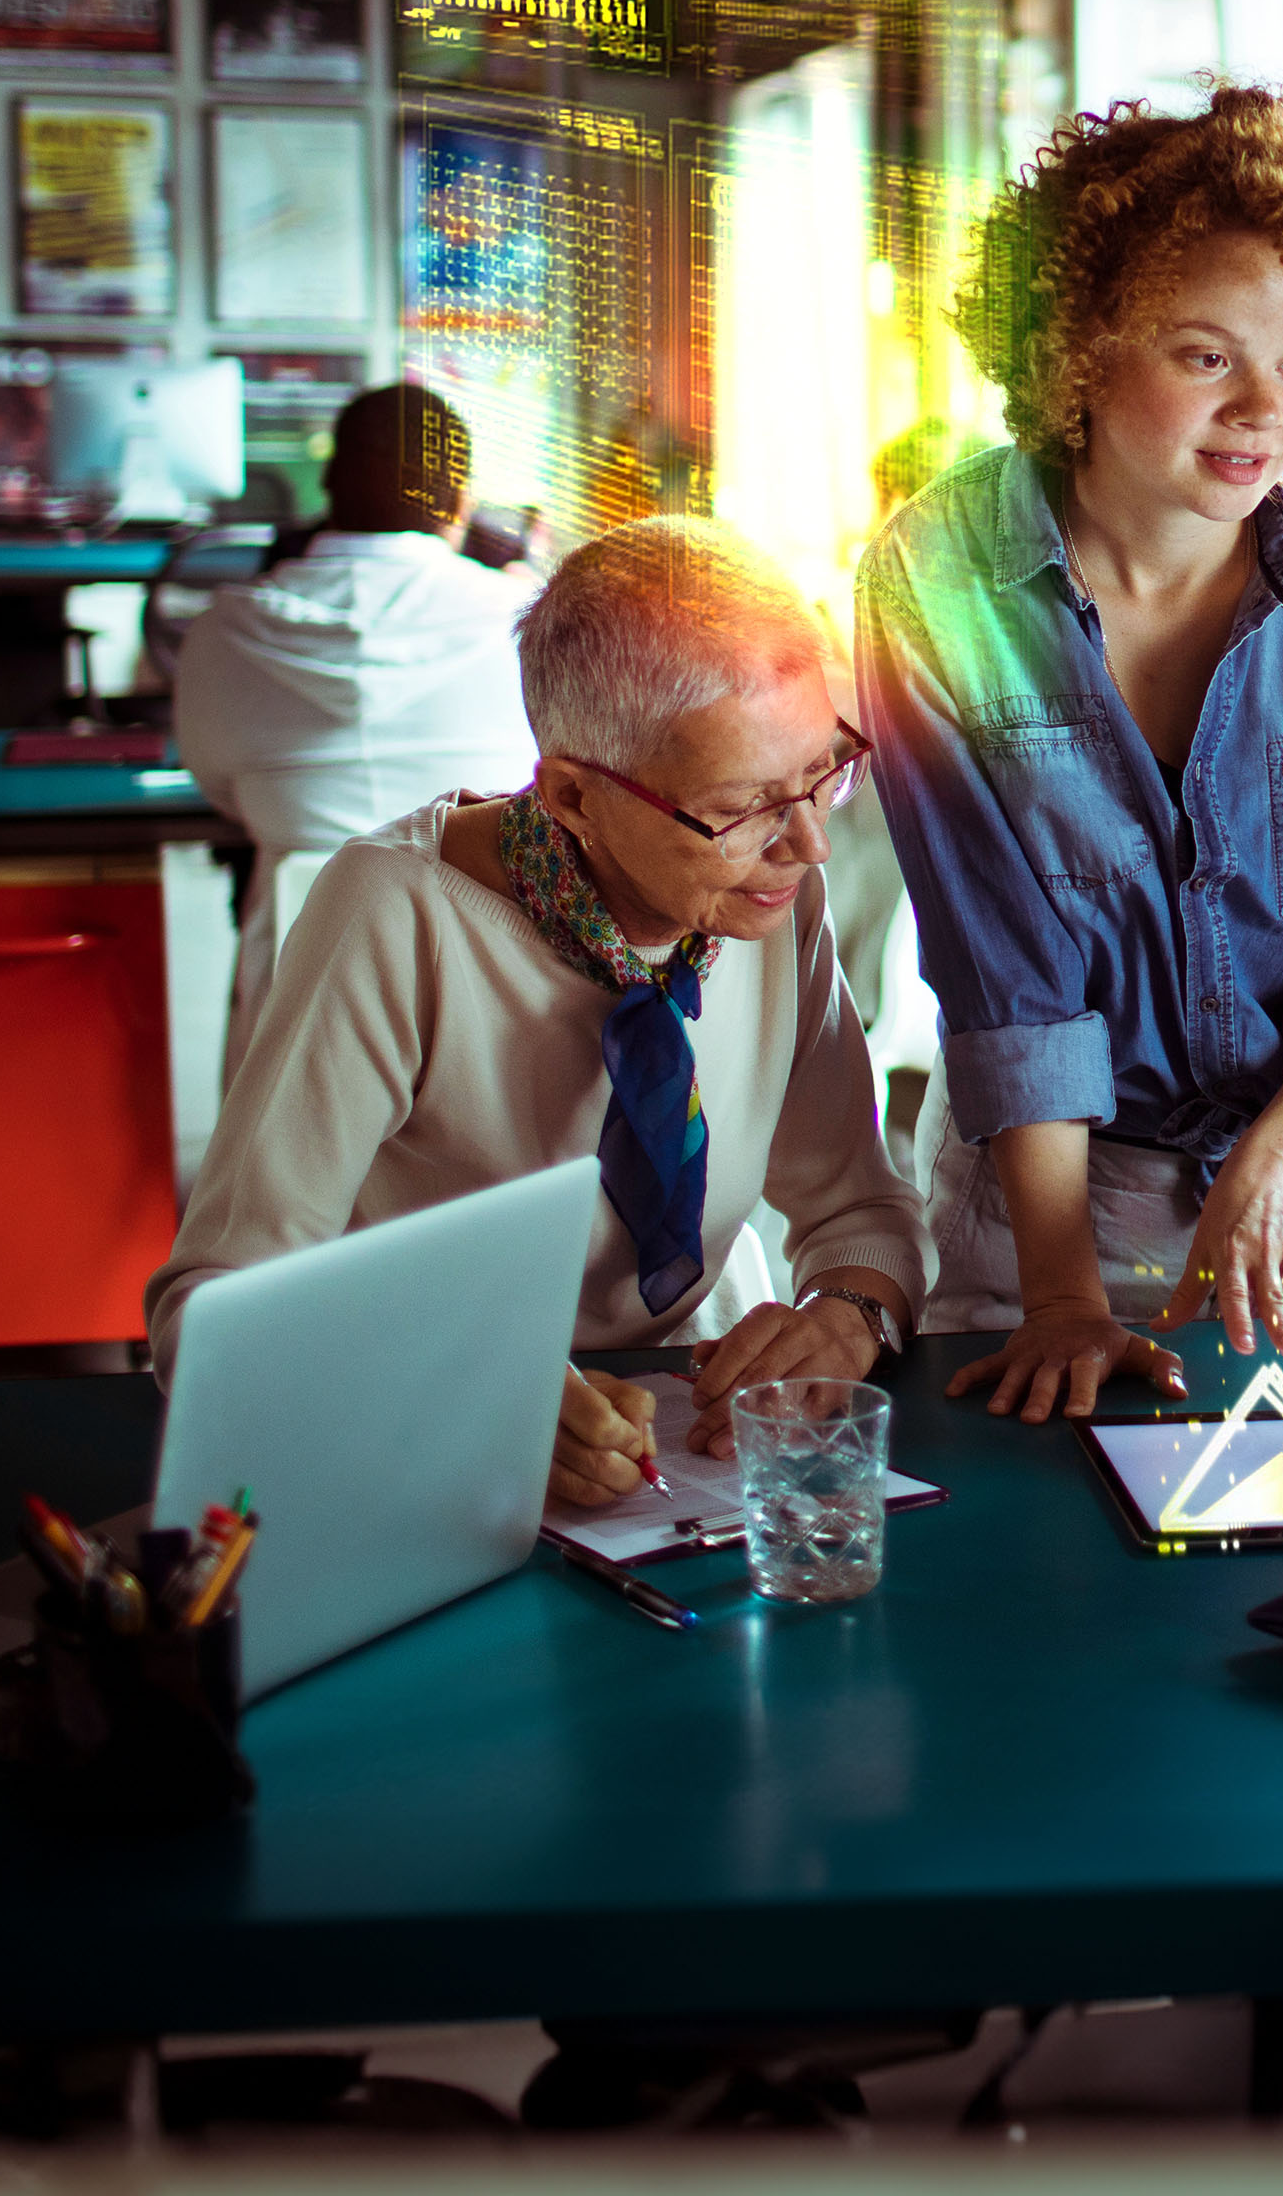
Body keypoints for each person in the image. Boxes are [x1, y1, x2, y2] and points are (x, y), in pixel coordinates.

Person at [860, 76, 1283, 1420]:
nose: (1267, 409)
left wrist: (1275, 1170)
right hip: (1048, 1205)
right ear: (1076, 343)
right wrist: (1063, 1288)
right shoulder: (934, 578)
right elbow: (1003, 971)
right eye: (1207, 355)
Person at [148, 515, 923, 1506]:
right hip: (425, 1447)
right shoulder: (395, 915)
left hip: (697, 1439)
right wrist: (465, 1390)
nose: (811, 844)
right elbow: (209, 1314)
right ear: (571, 796)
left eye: (825, 770)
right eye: (744, 807)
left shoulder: (769, 900)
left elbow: (862, 1211)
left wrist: (848, 1313)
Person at [172, 383, 537, 1079]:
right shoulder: (523, 622)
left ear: (330, 486)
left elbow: (220, 785)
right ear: (459, 502)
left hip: (294, 981)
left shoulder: (227, 628)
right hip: (489, 985)